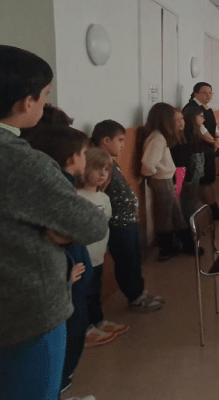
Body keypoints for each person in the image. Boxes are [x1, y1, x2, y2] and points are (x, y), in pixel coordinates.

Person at [0, 45, 107, 400]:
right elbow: (91, 225)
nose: (46, 104)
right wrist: (57, 233)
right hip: (24, 314)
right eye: (44, 96)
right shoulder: (19, 160)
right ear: (25, 103)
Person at [25, 126, 104, 397]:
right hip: (65, 275)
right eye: (84, 154)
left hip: (71, 272)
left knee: (75, 328)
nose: (86, 158)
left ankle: (62, 381)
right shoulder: (56, 183)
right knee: (71, 330)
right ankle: (61, 383)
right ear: (72, 158)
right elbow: (85, 226)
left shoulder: (57, 181)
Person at [90, 120, 164, 312]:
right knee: (126, 262)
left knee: (134, 258)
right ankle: (135, 297)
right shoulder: (100, 163)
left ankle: (139, 292)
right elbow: (98, 192)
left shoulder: (110, 161)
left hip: (128, 221)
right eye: (120, 140)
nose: (123, 144)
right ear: (106, 140)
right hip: (118, 223)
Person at [75, 147, 129, 347]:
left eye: (106, 170)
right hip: (82, 257)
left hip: (98, 256)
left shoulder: (103, 198)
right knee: (82, 295)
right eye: (97, 168)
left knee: (94, 292)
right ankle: (84, 330)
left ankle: (98, 321)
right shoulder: (76, 197)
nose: (102, 174)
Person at [140, 103, 193, 260]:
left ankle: (187, 244)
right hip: (161, 180)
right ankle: (166, 249)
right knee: (165, 216)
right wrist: (153, 174)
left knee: (175, 213)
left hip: (165, 180)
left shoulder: (159, 136)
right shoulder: (158, 138)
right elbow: (148, 164)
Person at [182, 82, 219, 220]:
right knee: (202, 182)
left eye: (210, 93)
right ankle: (207, 211)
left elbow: (214, 125)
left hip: (207, 150)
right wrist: (213, 141)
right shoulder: (192, 108)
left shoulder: (207, 108)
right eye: (204, 92)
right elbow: (200, 129)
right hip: (197, 151)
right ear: (195, 93)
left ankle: (212, 209)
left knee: (208, 180)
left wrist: (218, 138)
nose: (208, 95)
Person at [172, 106, 207, 222]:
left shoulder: (185, 134)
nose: (181, 122)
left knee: (190, 199)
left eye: (181, 118)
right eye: (177, 119)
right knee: (183, 201)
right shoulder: (177, 138)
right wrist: (184, 179)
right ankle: (186, 224)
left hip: (189, 172)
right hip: (180, 173)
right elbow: (179, 161)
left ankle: (190, 223)